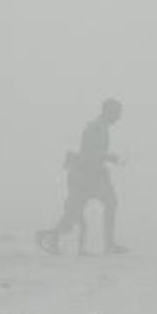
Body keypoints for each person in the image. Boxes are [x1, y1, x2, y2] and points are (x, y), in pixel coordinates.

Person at [36, 98, 127, 256]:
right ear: (108, 112)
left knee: (99, 206)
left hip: (90, 174)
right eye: (116, 113)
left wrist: (106, 158)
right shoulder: (96, 127)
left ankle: (52, 237)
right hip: (88, 176)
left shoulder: (100, 127)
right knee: (77, 212)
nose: (118, 117)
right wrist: (109, 157)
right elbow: (89, 152)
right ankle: (50, 236)